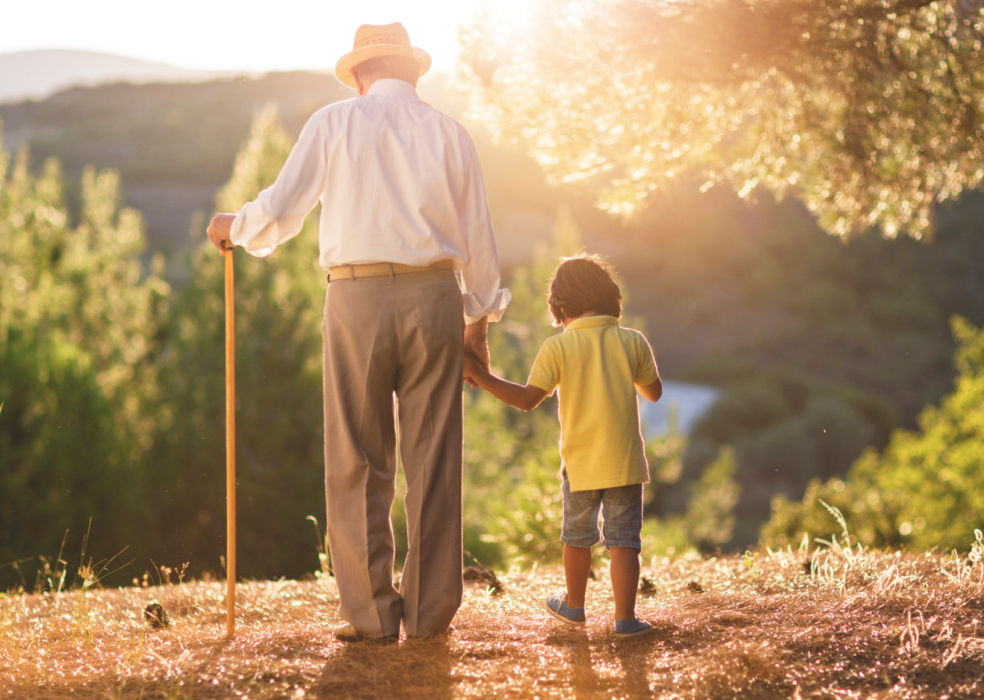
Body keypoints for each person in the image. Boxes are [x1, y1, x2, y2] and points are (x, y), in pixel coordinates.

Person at [206, 22, 510, 643]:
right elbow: (480, 238)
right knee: (434, 459)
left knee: (356, 457)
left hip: (355, 297)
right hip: (436, 299)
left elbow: (284, 210)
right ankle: (428, 618)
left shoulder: (333, 123)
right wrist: (477, 325)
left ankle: (371, 616)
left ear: (361, 73)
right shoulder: (452, 134)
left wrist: (234, 226)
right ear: (412, 71)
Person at [462, 254, 662, 639]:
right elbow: (653, 393)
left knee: (577, 537)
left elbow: (525, 400)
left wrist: (479, 375)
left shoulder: (558, 348)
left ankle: (574, 605)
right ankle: (625, 619)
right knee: (624, 541)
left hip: (582, 464)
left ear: (561, 307)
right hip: (624, 463)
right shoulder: (633, 341)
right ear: (610, 300)